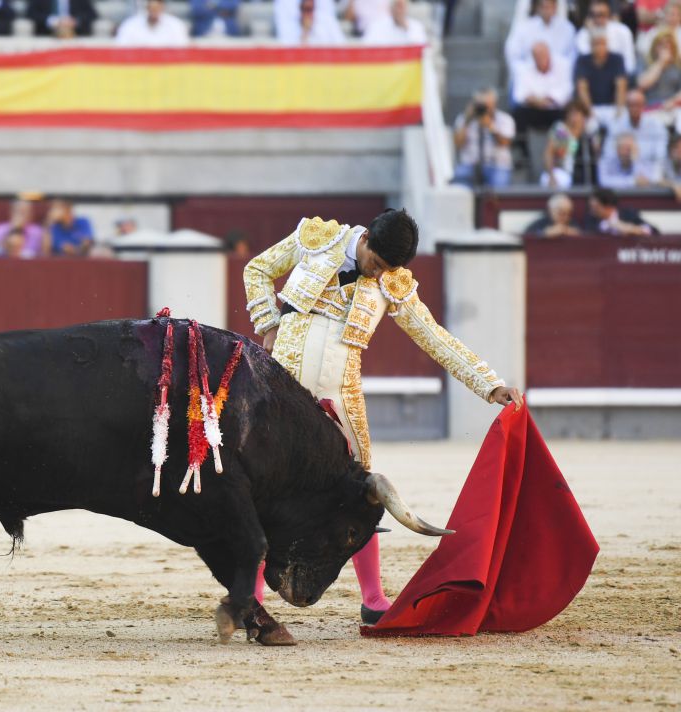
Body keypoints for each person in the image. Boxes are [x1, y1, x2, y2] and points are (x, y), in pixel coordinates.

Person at [243, 210, 522, 626]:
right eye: (377, 263)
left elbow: (433, 336)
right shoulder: (314, 237)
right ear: (368, 237)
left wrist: (489, 384)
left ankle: (373, 597)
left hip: (341, 396)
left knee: (362, 493)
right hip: (283, 389)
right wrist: (267, 322)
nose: (379, 273)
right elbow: (258, 269)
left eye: (390, 269)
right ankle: (251, 599)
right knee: (264, 487)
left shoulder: (392, 283)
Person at [451, 88, 516, 188]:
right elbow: (458, 144)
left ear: (494, 104)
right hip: (470, 164)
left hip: (498, 165)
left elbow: (505, 143)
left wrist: (491, 127)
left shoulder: (505, 119)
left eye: (487, 105)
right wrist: (467, 121)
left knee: (499, 190)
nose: (484, 108)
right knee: (459, 185)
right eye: (481, 105)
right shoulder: (464, 119)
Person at [504, 0, 577, 78]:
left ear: (555, 7)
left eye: (549, 7)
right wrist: (526, 72)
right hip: (529, 77)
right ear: (539, 7)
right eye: (544, 7)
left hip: (557, 79)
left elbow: (571, 57)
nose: (547, 10)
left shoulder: (568, 29)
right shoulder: (525, 27)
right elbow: (513, 53)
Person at [512, 40, 574, 131]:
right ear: (533, 57)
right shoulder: (524, 68)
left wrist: (548, 99)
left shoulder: (563, 64)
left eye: (543, 55)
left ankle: (566, 144)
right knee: (518, 114)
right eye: (537, 56)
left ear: (549, 53)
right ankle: (521, 145)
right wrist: (537, 101)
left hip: (556, 109)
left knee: (569, 114)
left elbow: (567, 89)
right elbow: (519, 94)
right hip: (534, 109)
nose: (541, 58)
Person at [574, 29, 629, 125]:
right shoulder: (583, 61)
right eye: (596, 44)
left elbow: (621, 86)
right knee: (589, 126)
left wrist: (619, 110)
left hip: (612, 107)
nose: (599, 47)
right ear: (590, 45)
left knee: (622, 119)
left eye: (602, 43)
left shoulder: (617, 59)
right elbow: (582, 88)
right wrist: (590, 112)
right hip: (591, 107)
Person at [541, 100, 601, 187]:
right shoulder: (561, 130)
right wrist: (551, 175)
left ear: (584, 116)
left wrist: (586, 131)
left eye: (577, 113)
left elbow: (597, 152)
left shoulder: (590, 130)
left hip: (587, 170)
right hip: (565, 170)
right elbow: (548, 154)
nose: (573, 117)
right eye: (570, 113)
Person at [604, 88, 669, 165]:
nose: (635, 109)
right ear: (626, 106)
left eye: (638, 105)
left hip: (649, 169)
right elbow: (608, 152)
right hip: (622, 168)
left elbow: (661, 154)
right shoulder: (616, 124)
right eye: (631, 105)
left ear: (644, 105)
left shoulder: (656, 124)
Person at [576, 0, 637, 74]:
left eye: (601, 15)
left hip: (620, 77)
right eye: (594, 15)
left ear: (608, 14)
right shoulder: (583, 35)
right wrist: (592, 34)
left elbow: (629, 64)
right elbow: (588, 63)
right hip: (593, 79)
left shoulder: (623, 31)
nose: (598, 19)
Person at [599, 131, 664, 186]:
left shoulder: (643, 161)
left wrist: (635, 161)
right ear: (616, 149)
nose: (626, 152)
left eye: (629, 149)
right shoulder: (606, 160)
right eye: (623, 148)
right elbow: (604, 181)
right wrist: (632, 181)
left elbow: (647, 180)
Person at [584, 187, 658, 233]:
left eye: (595, 207)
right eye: (590, 207)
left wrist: (633, 229)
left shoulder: (628, 214)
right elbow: (588, 233)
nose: (592, 210)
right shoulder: (591, 218)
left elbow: (653, 230)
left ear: (608, 206)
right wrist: (608, 226)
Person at [637, 29, 681, 106]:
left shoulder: (678, 64)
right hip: (650, 106)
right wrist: (660, 63)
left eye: (668, 45)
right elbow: (642, 84)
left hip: (673, 107)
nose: (665, 49)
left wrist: (673, 101)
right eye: (661, 45)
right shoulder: (644, 61)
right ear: (654, 46)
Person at [115, 0, 188, 46]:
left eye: (157, 8)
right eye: (151, 8)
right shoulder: (130, 25)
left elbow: (181, 49)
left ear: (162, 7)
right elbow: (121, 48)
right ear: (146, 7)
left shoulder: (175, 25)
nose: (154, 11)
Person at [274, 0, 345, 46]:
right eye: (304, 9)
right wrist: (305, 33)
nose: (307, 14)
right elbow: (288, 50)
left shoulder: (327, 22)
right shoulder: (290, 25)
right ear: (300, 9)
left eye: (309, 10)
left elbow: (341, 46)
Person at [361, 0, 427, 45]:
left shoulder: (416, 26)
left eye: (402, 7)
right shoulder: (376, 26)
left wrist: (406, 28)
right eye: (397, 6)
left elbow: (420, 49)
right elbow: (367, 47)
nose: (399, 11)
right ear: (391, 8)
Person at [27, 0, 97, 38]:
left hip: (76, 36)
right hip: (46, 35)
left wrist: (75, 21)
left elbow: (92, 14)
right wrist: (53, 21)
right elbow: (30, 13)